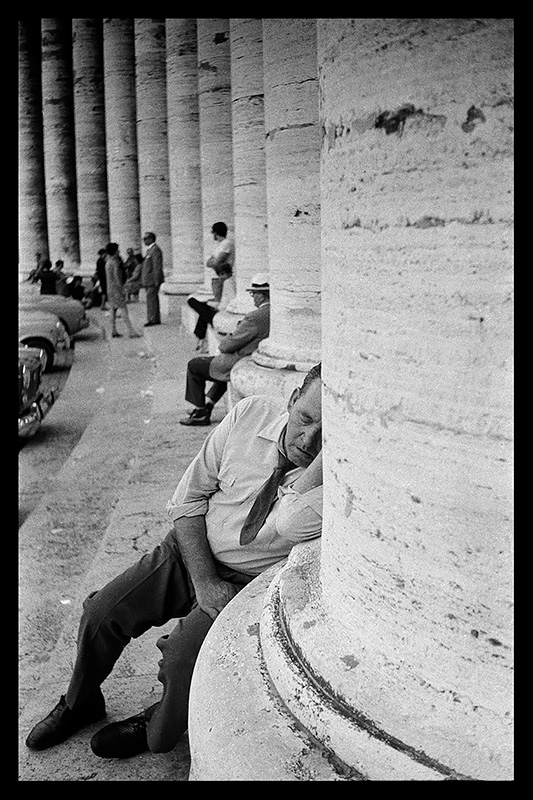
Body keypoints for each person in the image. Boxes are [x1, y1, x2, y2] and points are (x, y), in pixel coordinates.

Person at [25, 363, 323, 759]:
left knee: (182, 657)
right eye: (305, 418)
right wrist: (203, 580)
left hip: (246, 582)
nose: (309, 437)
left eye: (328, 435)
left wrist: (320, 467)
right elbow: (188, 500)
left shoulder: (328, 481)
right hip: (189, 549)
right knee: (101, 613)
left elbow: (289, 519)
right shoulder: (249, 415)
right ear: (291, 399)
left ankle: (154, 726)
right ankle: (80, 702)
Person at [180, 273, 270, 427]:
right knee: (223, 373)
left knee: (195, 365)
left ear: (262, 296)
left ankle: (200, 410)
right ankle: (208, 406)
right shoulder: (272, 312)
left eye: (253, 294)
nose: (252, 297)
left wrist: (228, 339)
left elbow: (226, 346)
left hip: (240, 358)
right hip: (251, 356)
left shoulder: (255, 317)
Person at [187, 264, 235, 353]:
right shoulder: (226, 282)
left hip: (221, 313)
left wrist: (217, 307)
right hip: (218, 310)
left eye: (222, 274)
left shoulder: (228, 282)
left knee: (192, 302)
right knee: (201, 312)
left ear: (229, 273)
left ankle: (199, 341)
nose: (220, 277)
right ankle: (200, 341)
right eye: (219, 275)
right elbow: (221, 299)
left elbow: (231, 302)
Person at [104, 242, 142, 339]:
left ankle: (113, 330)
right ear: (115, 251)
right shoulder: (114, 263)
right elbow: (117, 278)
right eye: (117, 250)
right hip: (116, 289)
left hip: (110, 289)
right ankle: (131, 331)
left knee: (113, 310)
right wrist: (122, 289)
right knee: (124, 309)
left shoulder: (107, 262)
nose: (119, 251)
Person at [141, 232, 164, 326]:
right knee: (151, 299)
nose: (144, 240)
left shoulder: (155, 250)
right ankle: (154, 317)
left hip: (152, 280)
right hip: (149, 280)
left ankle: (153, 319)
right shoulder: (150, 250)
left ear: (151, 239)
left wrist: (156, 280)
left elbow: (157, 266)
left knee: (151, 300)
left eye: (145, 238)